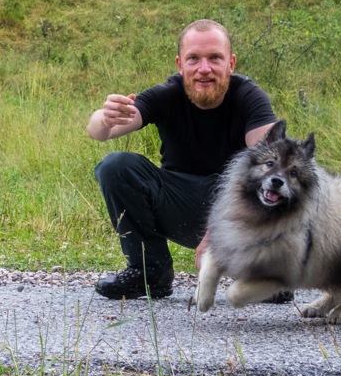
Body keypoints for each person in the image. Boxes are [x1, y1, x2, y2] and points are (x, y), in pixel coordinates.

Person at [87, 19, 287, 301]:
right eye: (194, 59)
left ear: (230, 63)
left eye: (214, 58)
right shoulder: (167, 95)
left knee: (269, 180)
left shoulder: (249, 97)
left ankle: (263, 273)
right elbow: (98, 132)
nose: (204, 69)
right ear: (181, 65)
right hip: (180, 204)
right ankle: (150, 272)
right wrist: (104, 118)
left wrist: (217, 231)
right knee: (115, 166)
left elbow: (271, 168)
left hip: (236, 214)